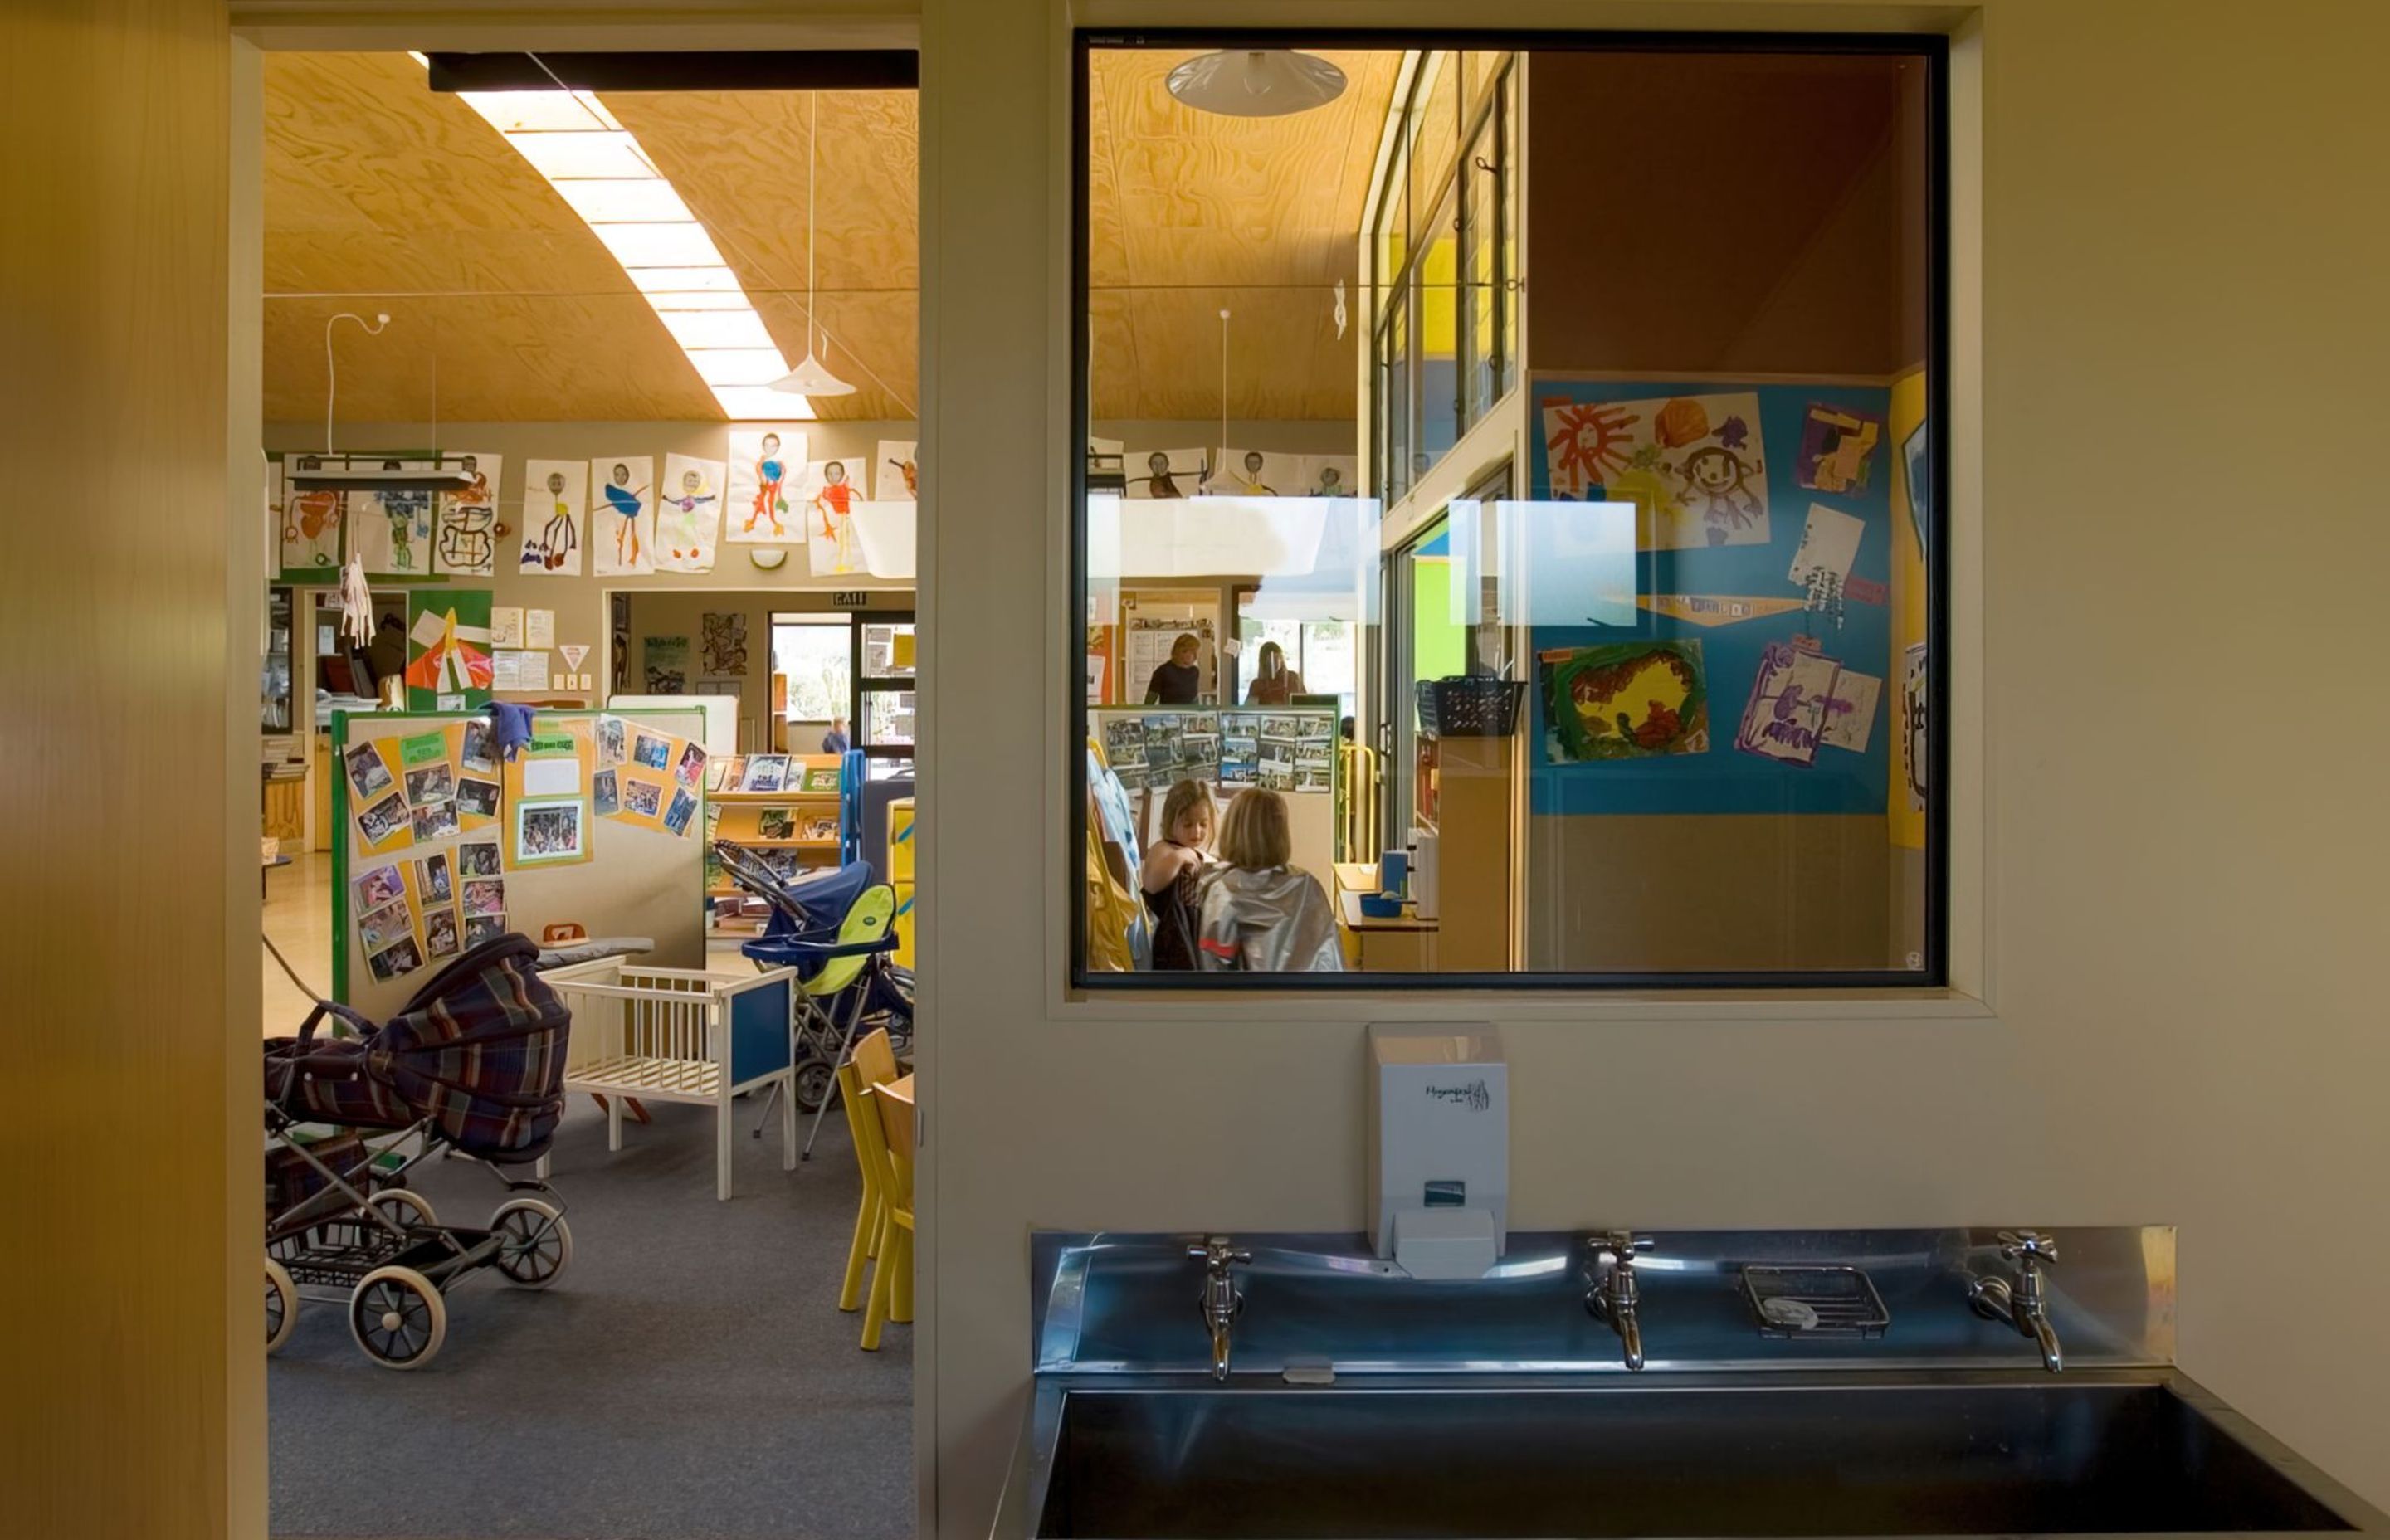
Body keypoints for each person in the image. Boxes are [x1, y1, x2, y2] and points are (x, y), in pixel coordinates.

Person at [1196, 787, 1343, 972]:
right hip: (1312, 997)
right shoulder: (1308, 885)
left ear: (1232, 829)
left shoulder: (1224, 890)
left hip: (1255, 998)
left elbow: (1214, 970)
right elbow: (1330, 959)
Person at [1139, 779, 1214, 971]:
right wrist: (1179, 857)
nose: (1196, 832)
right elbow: (1151, 883)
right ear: (1171, 821)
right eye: (1188, 824)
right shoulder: (1163, 849)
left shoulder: (1206, 857)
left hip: (1198, 941)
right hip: (1172, 944)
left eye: (1203, 824)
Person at [1144, 631, 1202, 704]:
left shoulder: (1195, 671)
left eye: (1194, 652)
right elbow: (1149, 702)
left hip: (1189, 714)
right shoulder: (1163, 671)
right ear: (1177, 651)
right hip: (1168, 714)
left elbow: (1194, 698)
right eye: (1186, 651)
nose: (1191, 656)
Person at [1242, 641, 1306, 705]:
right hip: (1266, 715)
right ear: (1263, 662)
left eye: (1276, 658)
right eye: (1269, 659)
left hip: (1290, 715)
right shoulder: (1257, 684)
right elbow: (1249, 710)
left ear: (1281, 659)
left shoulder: (1293, 678)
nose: (1273, 663)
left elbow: (1305, 706)